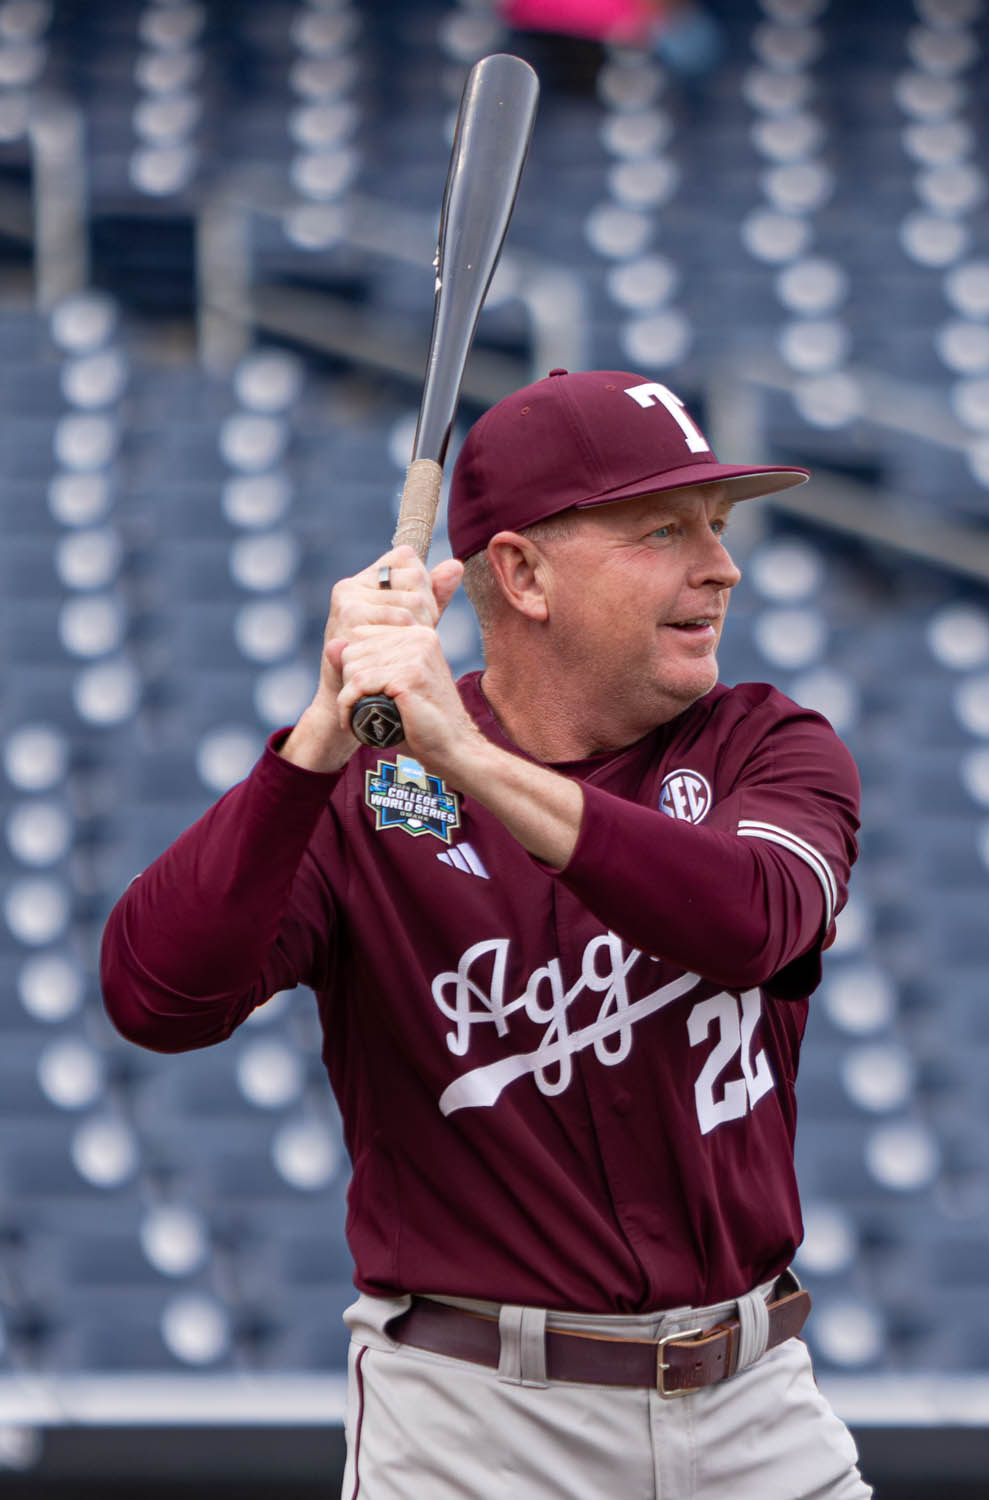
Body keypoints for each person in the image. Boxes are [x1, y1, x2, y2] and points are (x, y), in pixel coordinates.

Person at [101, 369, 870, 1499]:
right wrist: (323, 725)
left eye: (717, 526)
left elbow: (753, 919)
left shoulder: (767, 744)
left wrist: (464, 755)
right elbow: (157, 999)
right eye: (664, 530)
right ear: (520, 573)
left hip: (749, 1404)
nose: (721, 566)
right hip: (475, 1425)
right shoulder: (365, 792)